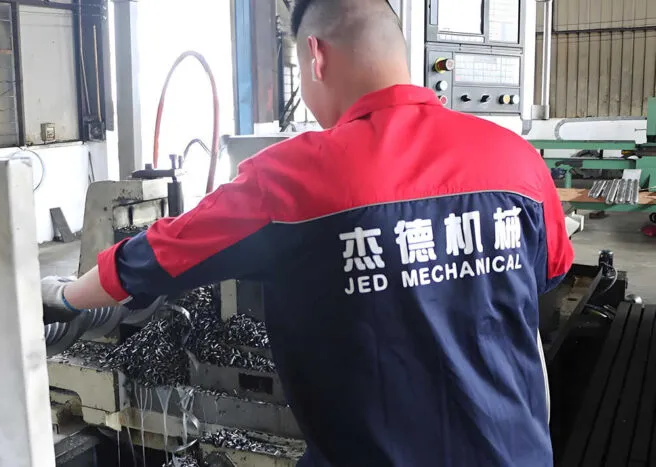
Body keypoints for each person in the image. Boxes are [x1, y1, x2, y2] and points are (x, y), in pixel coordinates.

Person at [42, 0, 574, 464]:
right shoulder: (518, 160)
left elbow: (157, 256)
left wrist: (64, 296)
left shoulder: (292, 177)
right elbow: (548, 276)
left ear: (315, 56)